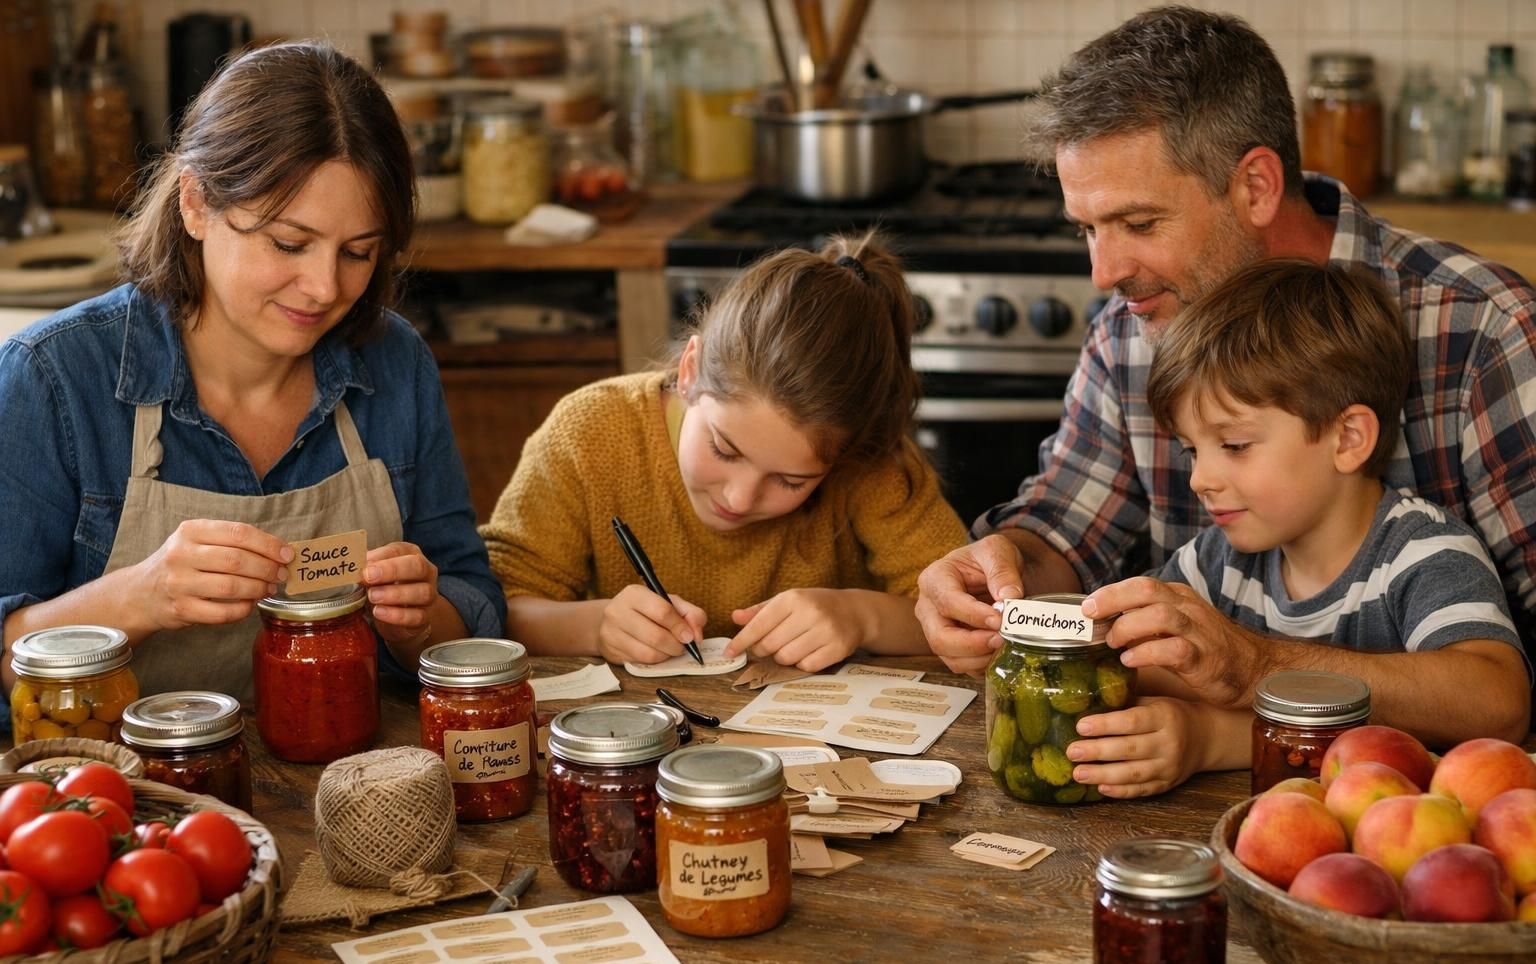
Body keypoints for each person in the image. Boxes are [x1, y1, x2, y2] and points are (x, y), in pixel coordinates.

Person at [915, 6, 1536, 741]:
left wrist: (1257, 667)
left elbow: (1501, 691)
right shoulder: (1131, 330)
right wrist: (993, 577)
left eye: (1139, 224)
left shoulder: (1485, 331)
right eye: (1087, 229)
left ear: (1257, 187)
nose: (1103, 274)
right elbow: (1066, 535)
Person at [0, 42, 505, 711]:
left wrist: (420, 622)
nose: (324, 287)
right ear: (196, 203)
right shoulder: (52, 377)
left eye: (358, 252)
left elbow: (471, 606)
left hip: (353, 765)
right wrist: (137, 598)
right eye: (289, 244)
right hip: (124, 773)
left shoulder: (395, 361)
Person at [1059, 259, 1529, 797]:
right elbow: (1149, 663)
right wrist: (1041, 638)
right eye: (1192, 450)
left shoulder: (1425, 553)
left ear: (1348, 439)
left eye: (1234, 445)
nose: (1200, 479)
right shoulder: (1214, 562)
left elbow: (1499, 704)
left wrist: (1212, 735)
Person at [480, 234, 969, 671]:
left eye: (791, 481)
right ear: (690, 371)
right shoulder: (590, 431)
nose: (739, 498)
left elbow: (966, 616)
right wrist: (596, 626)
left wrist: (863, 618)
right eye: (724, 449)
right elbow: (495, 610)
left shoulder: (872, 462)